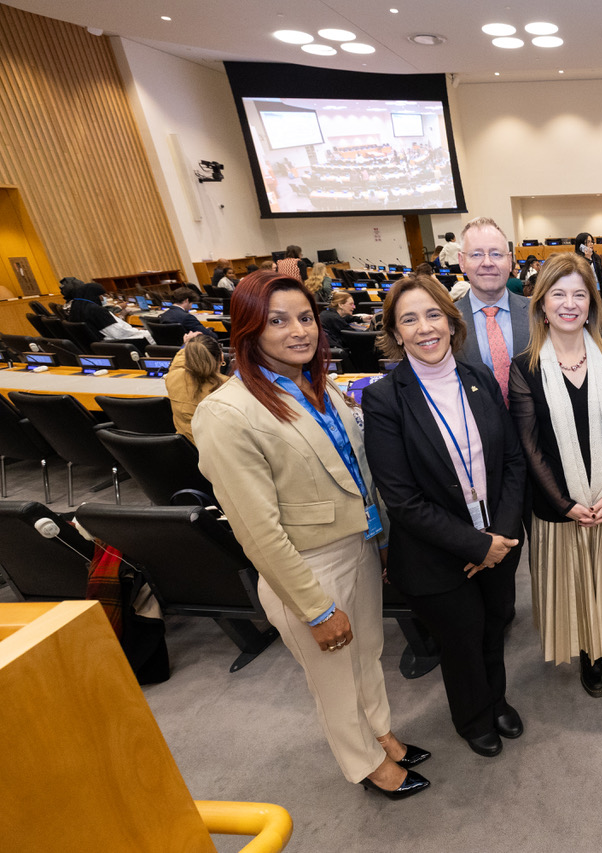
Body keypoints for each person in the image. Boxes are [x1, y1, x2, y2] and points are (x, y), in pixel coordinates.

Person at [192, 271, 429, 800]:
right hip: (308, 566)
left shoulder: (317, 386)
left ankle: (382, 734)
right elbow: (258, 530)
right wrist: (315, 609)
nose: (298, 331)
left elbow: (358, 472)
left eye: (305, 318)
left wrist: (383, 540)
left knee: (366, 654)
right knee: (334, 679)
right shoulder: (226, 413)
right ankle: (365, 763)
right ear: (248, 328)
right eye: (277, 321)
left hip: (359, 547)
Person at [362, 275, 527, 758]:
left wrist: (501, 535)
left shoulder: (477, 379)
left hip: (497, 535)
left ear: (452, 323)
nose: (424, 328)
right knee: (462, 638)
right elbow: (401, 498)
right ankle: (473, 717)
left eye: (433, 314)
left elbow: (513, 462)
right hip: (436, 554)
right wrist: (476, 546)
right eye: (408, 319)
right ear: (394, 334)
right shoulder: (385, 399)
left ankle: (496, 699)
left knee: (495, 624)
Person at [508, 252, 602, 697]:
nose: (569, 304)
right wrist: (565, 503)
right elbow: (530, 446)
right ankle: (590, 651)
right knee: (576, 587)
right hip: (558, 505)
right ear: (542, 304)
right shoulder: (524, 367)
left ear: (592, 303)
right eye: (558, 294)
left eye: (579, 294)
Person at [455, 217, 531, 404]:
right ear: (461, 261)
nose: (487, 262)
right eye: (476, 254)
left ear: (510, 260)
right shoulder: (447, 321)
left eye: (496, 254)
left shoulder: (537, 313)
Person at [166, 331, 228, 441]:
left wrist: (188, 344)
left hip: (186, 450)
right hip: (216, 452)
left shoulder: (172, 377)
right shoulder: (229, 387)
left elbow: (177, 363)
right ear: (222, 358)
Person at [65, 281, 152, 346]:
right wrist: (140, 330)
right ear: (96, 296)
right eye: (102, 295)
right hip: (117, 343)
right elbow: (120, 334)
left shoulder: (76, 307)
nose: (103, 298)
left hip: (100, 345)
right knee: (153, 335)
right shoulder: (96, 310)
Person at [574, 232, 602, 333]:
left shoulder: (595, 257)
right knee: (589, 319)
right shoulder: (576, 259)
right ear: (581, 245)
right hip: (586, 293)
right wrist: (587, 259)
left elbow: (600, 275)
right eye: (588, 242)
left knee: (599, 318)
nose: (591, 244)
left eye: (592, 241)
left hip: (599, 291)